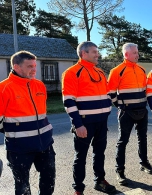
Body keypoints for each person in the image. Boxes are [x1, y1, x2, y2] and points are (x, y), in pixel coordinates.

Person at [62, 41, 116, 195]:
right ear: (83, 53)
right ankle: (78, 189)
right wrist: (78, 124)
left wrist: (118, 106)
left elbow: (108, 94)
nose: (97, 54)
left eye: (97, 51)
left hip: (101, 122)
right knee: (81, 156)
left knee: (100, 153)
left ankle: (100, 181)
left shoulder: (99, 72)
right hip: (84, 123)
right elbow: (68, 101)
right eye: (94, 52)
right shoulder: (72, 72)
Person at [0, 51, 56, 195]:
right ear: (16, 67)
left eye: (35, 65)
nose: (34, 69)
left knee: (49, 180)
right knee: (22, 185)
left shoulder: (39, 85)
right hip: (19, 147)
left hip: (45, 144)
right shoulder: (4, 88)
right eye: (30, 66)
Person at [107, 43, 152, 185]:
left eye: (137, 52)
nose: (137, 54)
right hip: (126, 112)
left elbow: (146, 90)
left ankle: (144, 163)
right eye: (134, 52)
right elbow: (110, 92)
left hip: (142, 111)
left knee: (143, 139)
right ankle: (119, 171)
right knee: (123, 142)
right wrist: (119, 105)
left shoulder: (141, 69)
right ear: (126, 54)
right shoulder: (117, 71)